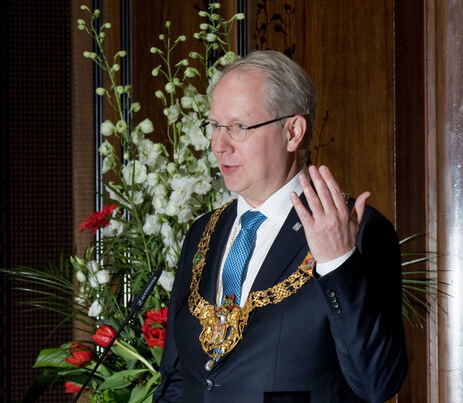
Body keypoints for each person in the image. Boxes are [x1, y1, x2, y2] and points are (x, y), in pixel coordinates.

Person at [154, 50, 408, 402]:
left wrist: (338, 262)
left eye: (239, 127)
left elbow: (378, 383)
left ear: (292, 132)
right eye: (214, 126)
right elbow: (177, 379)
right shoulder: (201, 233)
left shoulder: (358, 228)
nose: (218, 145)